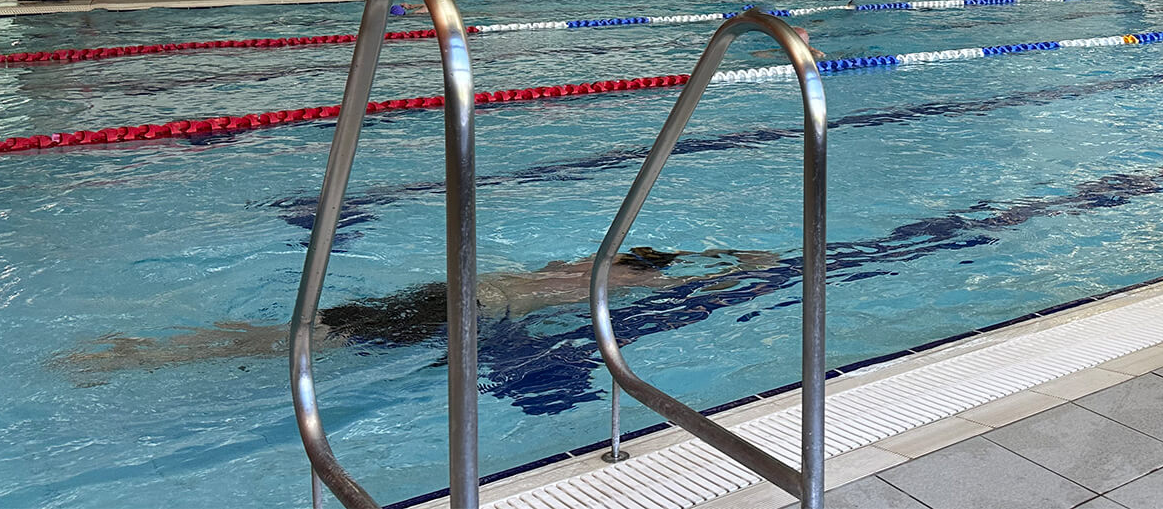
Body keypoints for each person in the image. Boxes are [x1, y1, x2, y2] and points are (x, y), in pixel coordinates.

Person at [50, 246, 779, 374]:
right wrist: (750, 266)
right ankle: (149, 354)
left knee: (313, 331)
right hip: (466, 304)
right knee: (309, 343)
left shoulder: (571, 265)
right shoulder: (619, 280)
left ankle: (155, 347)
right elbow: (692, 290)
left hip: (449, 290)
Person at [751, 26, 827, 61]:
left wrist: (778, 58)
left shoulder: (815, 54)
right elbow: (756, 54)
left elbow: (821, 56)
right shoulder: (786, 49)